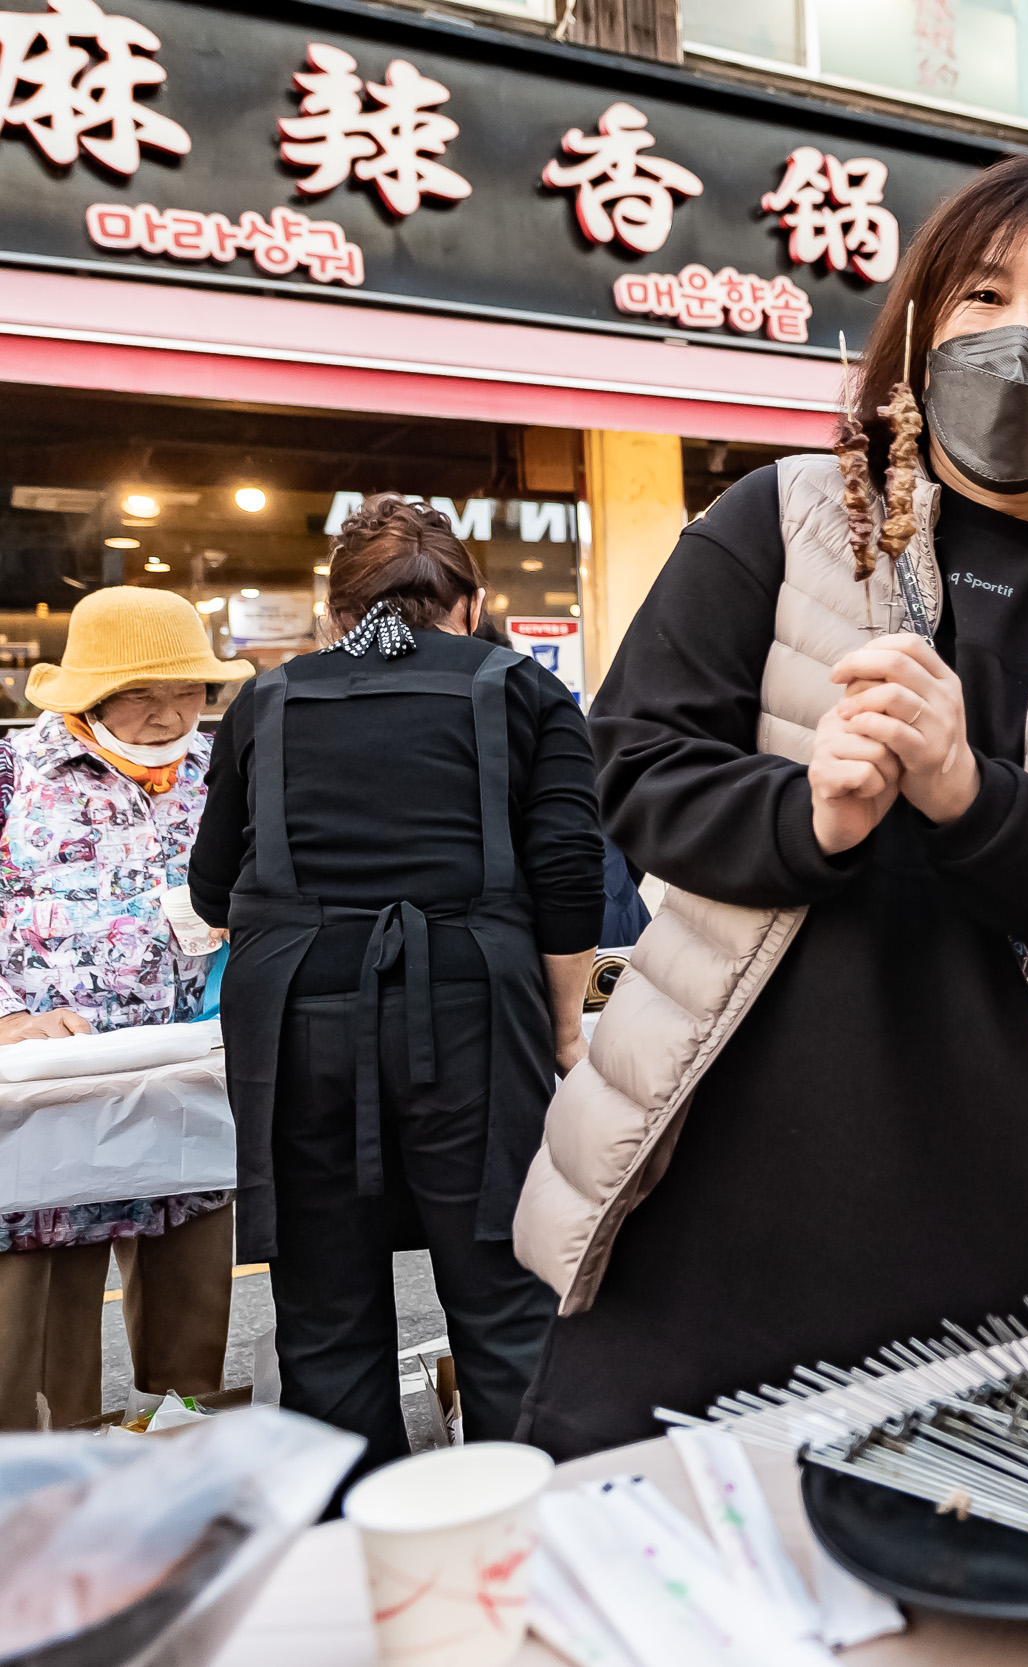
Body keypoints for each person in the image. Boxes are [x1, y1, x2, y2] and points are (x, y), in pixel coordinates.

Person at [511, 156, 1028, 1459]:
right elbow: (636, 763)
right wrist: (811, 815)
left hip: (998, 1166)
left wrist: (966, 791)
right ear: (920, 320)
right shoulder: (777, 518)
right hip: (717, 1149)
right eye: (984, 292)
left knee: (982, 1521)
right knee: (679, 1525)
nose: (1018, 336)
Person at [189, 498, 604, 1480]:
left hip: (292, 1014)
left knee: (324, 1308)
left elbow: (212, 886)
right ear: (472, 602)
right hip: (472, 999)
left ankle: (355, 1557)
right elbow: (569, 879)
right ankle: (526, 1540)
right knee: (503, 1291)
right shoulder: (523, 691)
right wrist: (560, 1033)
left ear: (335, 611)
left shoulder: (266, 701)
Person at [0, 588, 251, 1430]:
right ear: (90, 696)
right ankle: (45, 1468)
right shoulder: (16, 774)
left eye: (189, 690)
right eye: (144, 692)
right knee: (38, 1315)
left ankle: (181, 1439)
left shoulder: (220, 768)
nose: (170, 712)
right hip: (53, 1082)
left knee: (191, 1287)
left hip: (184, 1066)